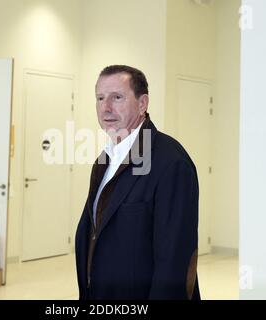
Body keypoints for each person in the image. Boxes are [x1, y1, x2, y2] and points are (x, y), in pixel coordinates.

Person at [75, 65, 200, 300]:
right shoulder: (103, 161)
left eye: (117, 97)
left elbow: (174, 260)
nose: (105, 107)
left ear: (143, 104)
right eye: (100, 98)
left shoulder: (170, 162)